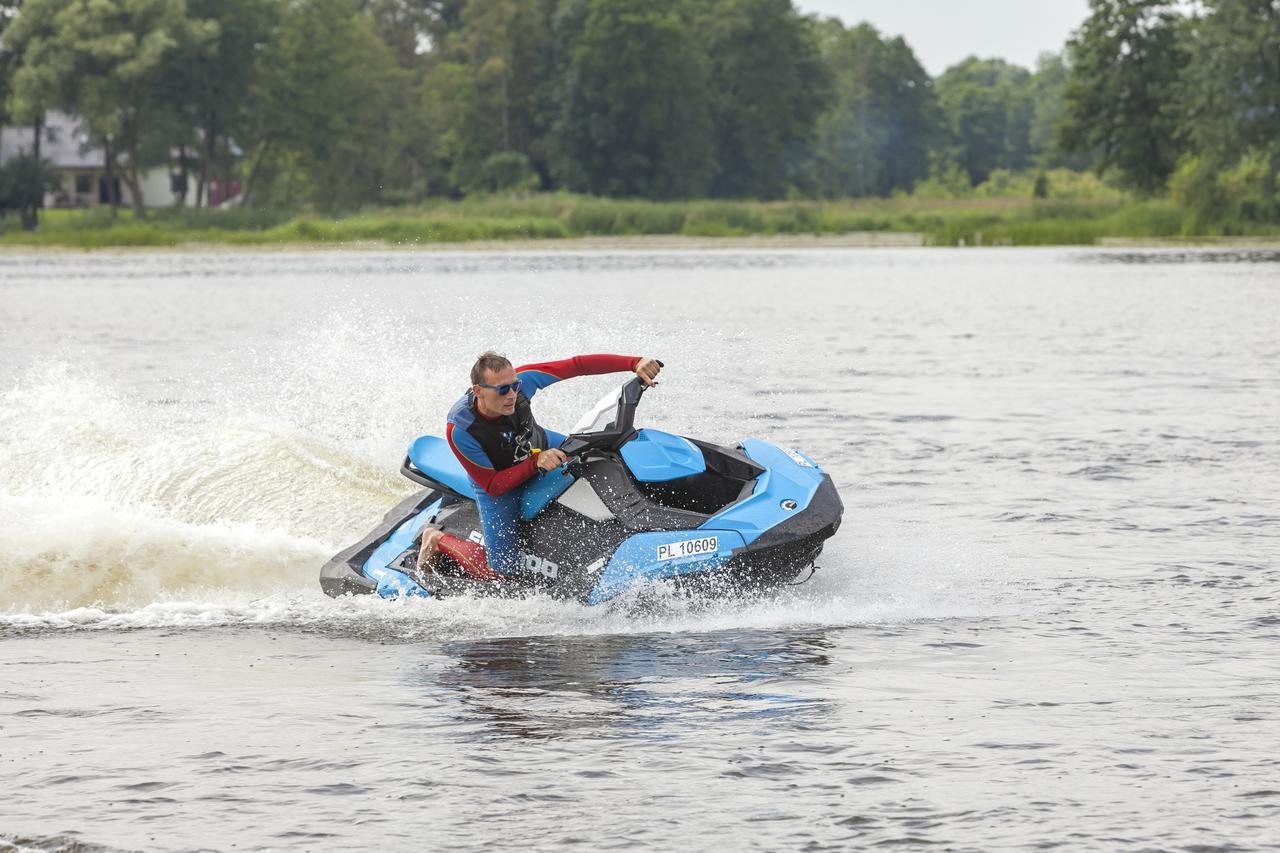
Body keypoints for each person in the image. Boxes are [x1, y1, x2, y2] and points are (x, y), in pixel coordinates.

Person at [419, 351, 662, 578]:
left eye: (514, 386)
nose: (512, 394)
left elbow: (576, 366)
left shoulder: (524, 382)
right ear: (478, 391)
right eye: (503, 389)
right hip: (500, 479)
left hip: (540, 445)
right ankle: (436, 539)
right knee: (503, 572)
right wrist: (535, 464)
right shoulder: (461, 429)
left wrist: (633, 363)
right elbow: (493, 485)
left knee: (602, 455)